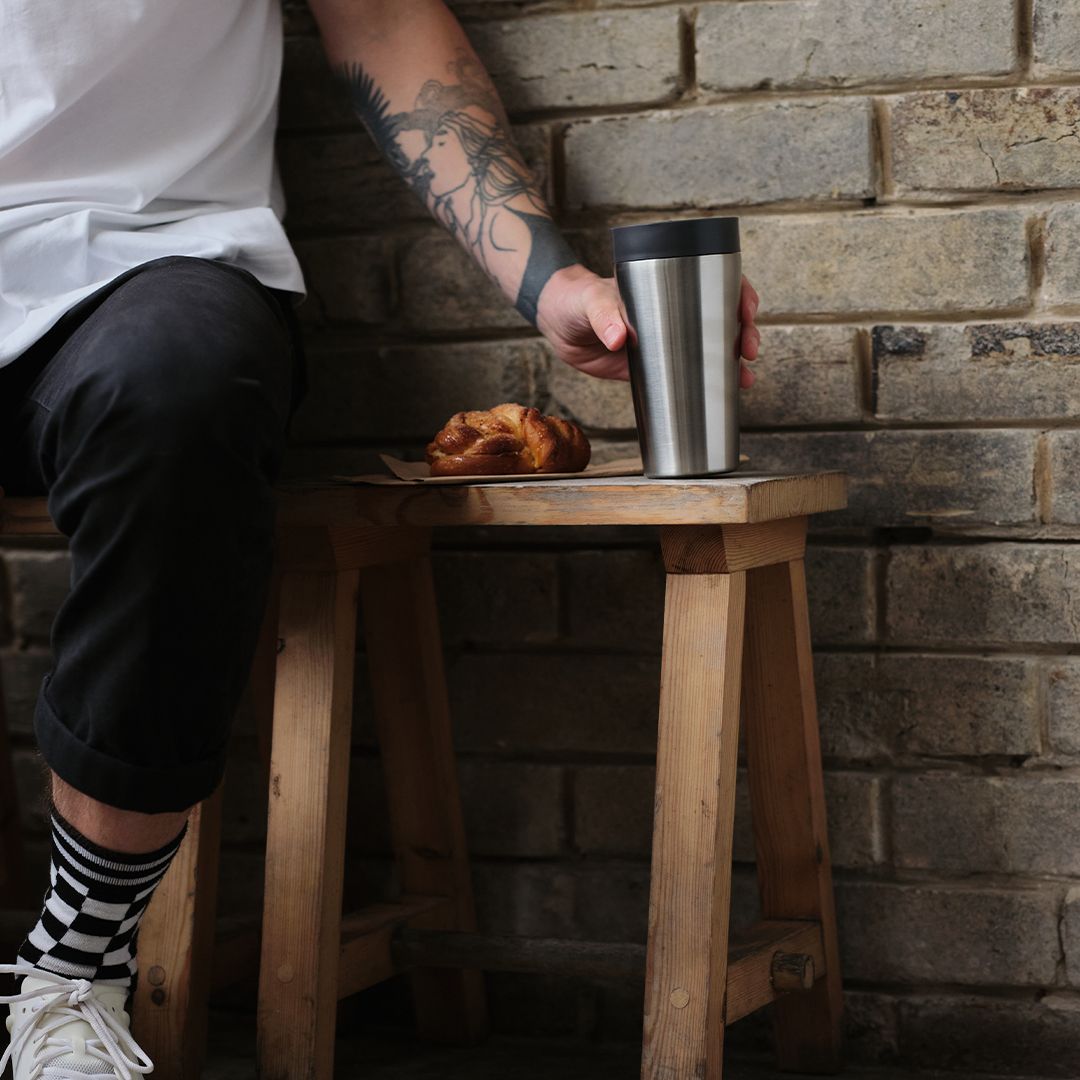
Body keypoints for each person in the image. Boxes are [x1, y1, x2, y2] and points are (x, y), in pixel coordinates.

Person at [0, 1, 761, 1076]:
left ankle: (74, 971)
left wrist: (552, 279)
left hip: (142, 264)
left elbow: (389, 25)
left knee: (181, 396)